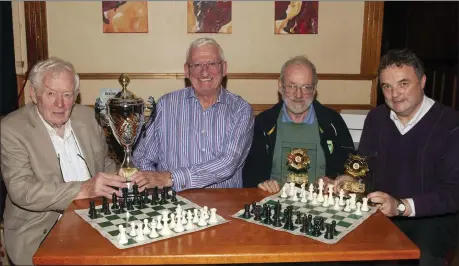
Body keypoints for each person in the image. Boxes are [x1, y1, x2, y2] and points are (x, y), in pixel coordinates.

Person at [334, 49, 459, 266]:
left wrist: (401, 206)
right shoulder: (376, 118)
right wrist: (350, 178)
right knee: (343, 249)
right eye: (387, 87)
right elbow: (363, 163)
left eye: (403, 84)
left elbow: (453, 194)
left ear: (422, 82)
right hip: (380, 213)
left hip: (431, 220)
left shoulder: (451, 124)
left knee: (423, 258)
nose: (395, 94)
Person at [0, 57, 127, 265]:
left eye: (67, 95)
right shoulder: (12, 129)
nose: (60, 104)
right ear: (33, 93)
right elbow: (22, 190)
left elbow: (105, 165)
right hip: (40, 229)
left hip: (96, 220)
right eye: (51, 94)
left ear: (75, 96)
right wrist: (84, 189)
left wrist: (123, 181)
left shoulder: (87, 117)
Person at [131, 37, 254, 192]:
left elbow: (228, 163)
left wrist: (171, 178)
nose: (204, 72)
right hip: (173, 204)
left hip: (224, 204)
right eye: (196, 65)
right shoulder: (165, 105)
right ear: (186, 70)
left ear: (224, 68)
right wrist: (154, 191)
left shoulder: (241, 110)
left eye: (212, 64)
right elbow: (143, 158)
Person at [242, 55, 354, 193]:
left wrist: (339, 181)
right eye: (292, 86)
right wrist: (261, 184)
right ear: (280, 86)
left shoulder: (333, 123)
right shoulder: (263, 124)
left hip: (320, 205)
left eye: (306, 87)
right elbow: (249, 175)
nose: (298, 95)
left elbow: (351, 171)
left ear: (314, 89)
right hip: (274, 204)